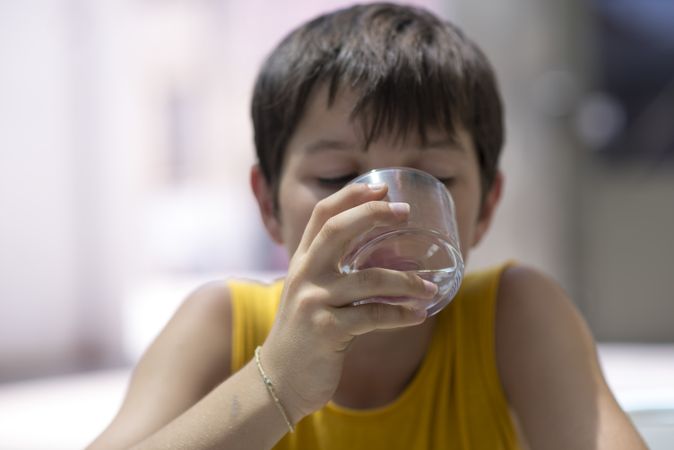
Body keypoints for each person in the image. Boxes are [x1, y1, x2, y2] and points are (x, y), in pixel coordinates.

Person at [89, 3, 646, 449]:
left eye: (432, 178)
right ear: (267, 205)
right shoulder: (221, 327)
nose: (385, 208)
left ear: (485, 209)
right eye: (336, 178)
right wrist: (277, 384)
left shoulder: (515, 318)